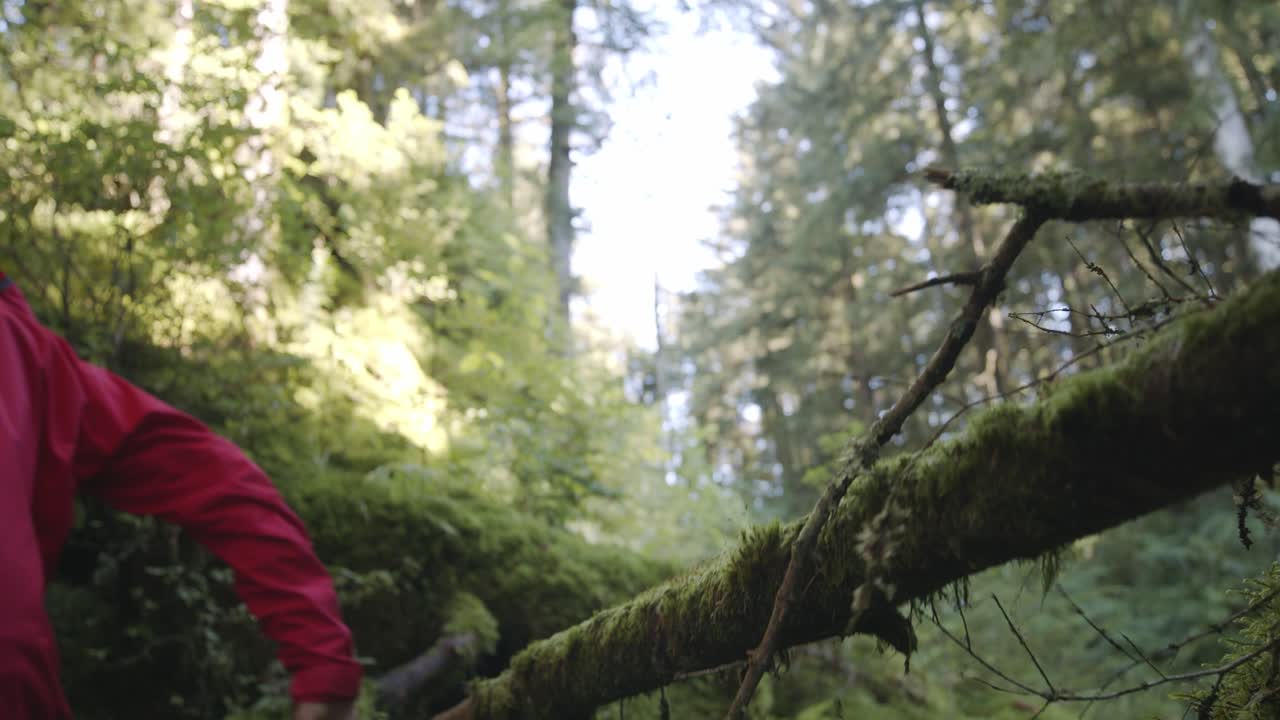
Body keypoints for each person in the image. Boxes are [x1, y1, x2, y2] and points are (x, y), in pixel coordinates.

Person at [0, 271, 363, 720]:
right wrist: (322, 658)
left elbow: (215, 480)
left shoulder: (27, 355)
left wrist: (321, 658)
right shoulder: (23, 351)